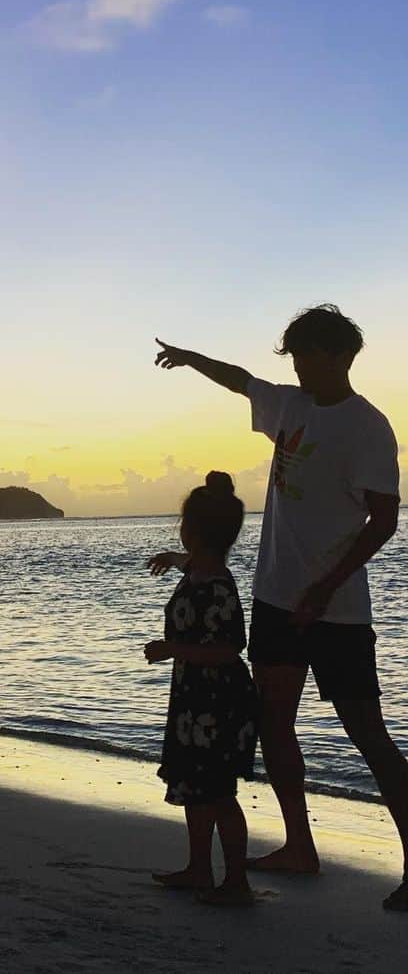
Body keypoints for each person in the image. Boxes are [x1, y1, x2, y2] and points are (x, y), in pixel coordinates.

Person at [155, 305, 408, 911]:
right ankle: (300, 846)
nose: (296, 367)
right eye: (292, 355)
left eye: (306, 356)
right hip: (274, 599)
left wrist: (326, 586)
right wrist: (191, 360)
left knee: (368, 735)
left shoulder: (369, 428)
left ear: (340, 357)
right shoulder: (291, 407)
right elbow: (242, 379)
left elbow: (385, 518)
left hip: (338, 611)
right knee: (274, 722)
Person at [145, 472, 258, 906]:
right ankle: (198, 869)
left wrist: (172, 648)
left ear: (193, 529)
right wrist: (174, 557)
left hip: (219, 701)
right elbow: (192, 563)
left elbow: (229, 649)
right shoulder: (199, 571)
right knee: (195, 784)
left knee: (219, 792)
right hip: (194, 697)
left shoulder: (217, 585)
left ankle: (236, 881)